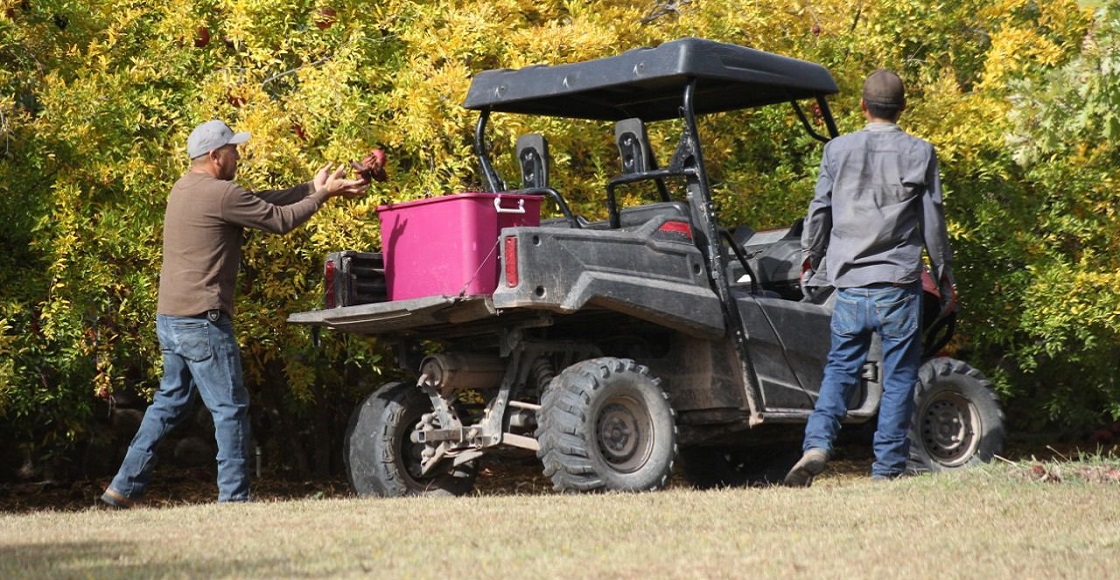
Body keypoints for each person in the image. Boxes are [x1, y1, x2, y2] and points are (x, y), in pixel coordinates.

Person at [101, 120, 369, 506]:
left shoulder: (185, 188)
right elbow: (280, 221)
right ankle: (234, 500)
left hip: (171, 319)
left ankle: (122, 488)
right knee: (230, 408)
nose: (238, 156)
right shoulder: (220, 194)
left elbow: (261, 200)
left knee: (169, 403)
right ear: (215, 157)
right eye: (233, 150)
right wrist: (321, 197)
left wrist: (314, 187)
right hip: (201, 321)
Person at [784, 70, 957, 486]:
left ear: (862, 106)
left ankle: (818, 444)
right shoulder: (920, 152)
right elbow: (933, 222)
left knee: (841, 369)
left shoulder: (837, 151)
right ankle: (886, 471)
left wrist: (810, 258)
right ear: (902, 107)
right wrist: (945, 275)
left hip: (850, 285)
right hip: (898, 284)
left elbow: (819, 210)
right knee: (898, 377)